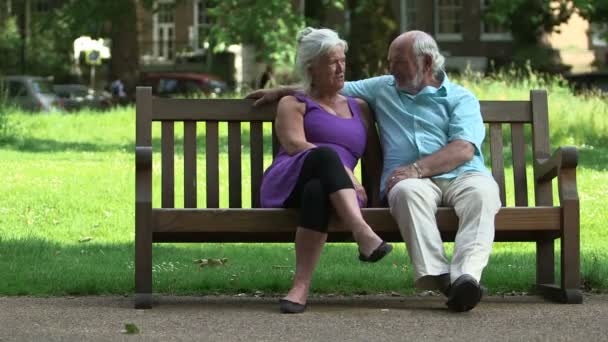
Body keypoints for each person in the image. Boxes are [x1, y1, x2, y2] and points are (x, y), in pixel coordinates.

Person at [248, 30, 501, 312]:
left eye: (398, 62)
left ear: (427, 63)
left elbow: (464, 148)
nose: (390, 69)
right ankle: (437, 275)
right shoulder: (383, 87)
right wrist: (280, 91)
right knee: (402, 191)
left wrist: (414, 170)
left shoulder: (460, 98)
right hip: (363, 178)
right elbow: (319, 94)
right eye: (389, 62)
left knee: (483, 194)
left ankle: (466, 277)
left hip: (458, 174)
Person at [259, 27, 393, 314]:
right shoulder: (293, 103)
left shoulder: (360, 108)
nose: (341, 67)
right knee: (324, 156)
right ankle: (363, 233)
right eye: (332, 62)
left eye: (343, 59)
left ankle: (300, 288)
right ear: (312, 68)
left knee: (318, 191)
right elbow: (295, 144)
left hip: (341, 195)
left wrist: (379, 196)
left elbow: (374, 160)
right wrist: (345, 171)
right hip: (291, 180)